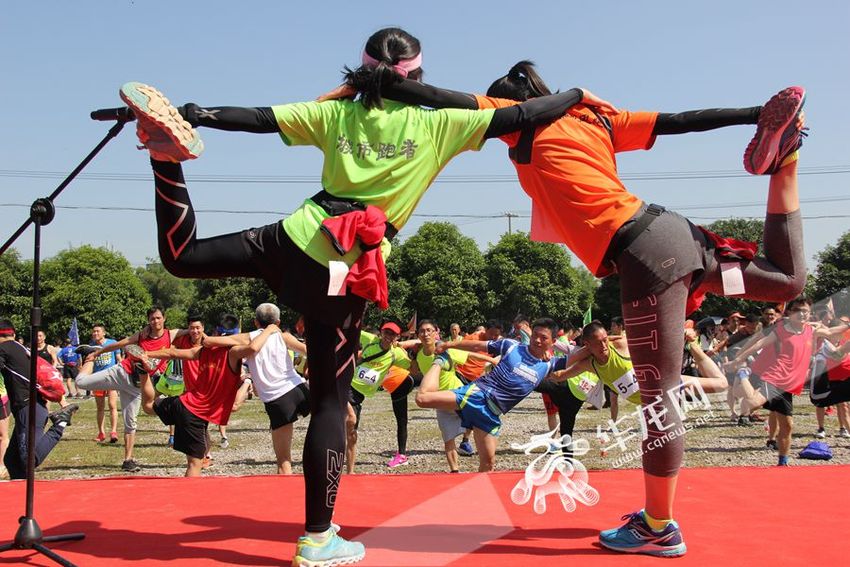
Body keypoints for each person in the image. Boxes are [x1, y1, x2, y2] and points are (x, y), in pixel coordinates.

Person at [114, 27, 611, 566]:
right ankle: (318, 537)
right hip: (347, 273)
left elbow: (257, 118)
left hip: (297, 235)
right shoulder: (441, 121)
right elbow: (523, 116)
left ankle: (166, 159)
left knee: (182, 258)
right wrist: (576, 95)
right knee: (330, 403)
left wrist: (195, 115)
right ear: (418, 77)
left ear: (363, 70)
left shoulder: (339, 112)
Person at [371, 65, 808, 557]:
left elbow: (437, 97)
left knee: (659, 398)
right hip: (669, 230)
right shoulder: (596, 116)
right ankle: (785, 157)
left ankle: (658, 526)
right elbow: (681, 119)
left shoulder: (520, 119)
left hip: (643, 253)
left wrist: (381, 81)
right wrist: (756, 116)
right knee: (785, 280)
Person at [417, 318, 573, 472]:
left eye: (543, 338)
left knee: (488, 464)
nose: (537, 340)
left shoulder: (550, 364)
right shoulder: (512, 346)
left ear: (553, 341)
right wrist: (448, 344)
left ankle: (480, 495)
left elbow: (582, 355)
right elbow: (477, 345)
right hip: (478, 394)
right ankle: (440, 362)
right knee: (422, 399)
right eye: (535, 336)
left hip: (491, 413)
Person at [728, 297, 850, 466]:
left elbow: (831, 332)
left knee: (787, 425)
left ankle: (783, 462)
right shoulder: (781, 330)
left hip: (788, 385)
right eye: (798, 311)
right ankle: (742, 374)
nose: (802, 314)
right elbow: (759, 343)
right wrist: (737, 360)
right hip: (775, 377)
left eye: (806, 311)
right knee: (751, 403)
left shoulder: (811, 330)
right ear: (790, 313)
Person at [138, 319, 256, 477]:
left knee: (148, 407)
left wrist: (146, 353)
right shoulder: (233, 353)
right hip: (194, 414)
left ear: (216, 333)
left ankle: (141, 372)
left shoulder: (203, 351)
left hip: (183, 403)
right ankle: (188, 499)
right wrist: (270, 329)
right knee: (195, 464)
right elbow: (253, 345)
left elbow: (173, 353)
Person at [204, 304, 310, 475]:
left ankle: (287, 498)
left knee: (284, 462)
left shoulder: (248, 337)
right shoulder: (284, 336)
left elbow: (210, 342)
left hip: (278, 400)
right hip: (299, 390)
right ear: (278, 321)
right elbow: (309, 352)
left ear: (255, 322)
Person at [76, 306, 181, 472]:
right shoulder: (141, 335)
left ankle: (128, 460)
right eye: (152, 319)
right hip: (121, 373)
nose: (155, 321)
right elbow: (121, 344)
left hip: (136, 386)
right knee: (80, 383)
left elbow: (193, 332)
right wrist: (96, 354)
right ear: (148, 321)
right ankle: (89, 353)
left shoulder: (171, 334)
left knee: (131, 423)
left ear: (164, 318)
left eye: (158, 318)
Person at [0, 319, 78, 479]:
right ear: (13, 334)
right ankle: (19, 494)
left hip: (29, 407)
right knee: (12, 460)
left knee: (29, 459)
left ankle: (60, 423)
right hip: (33, 406)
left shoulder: (3, 349)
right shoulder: (22, 349)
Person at [411, 319, 492, 472]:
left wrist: (492, 359)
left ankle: (484, 464)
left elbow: (469, 355)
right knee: (448, 438)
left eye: (429, 330)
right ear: (418, 335)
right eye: (422, 331)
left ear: (436, 333)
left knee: (480, 428)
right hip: (440, 401)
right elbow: (413, 370)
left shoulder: (445, 349)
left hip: (458, 396)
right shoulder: (419, 355)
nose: (426, 333)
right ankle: (454, 471)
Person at [346, 321, 417, 472]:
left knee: (351, 431)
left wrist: (412, 349)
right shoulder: (370, 340)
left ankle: (349, 470)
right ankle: (344, 467)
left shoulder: (396, 353)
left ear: (397, 337)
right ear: (381, 333)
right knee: (349, 425)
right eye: (386, 332)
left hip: (361, 394)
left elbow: (413, 368)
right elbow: (351, 328)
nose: (388, 336)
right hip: (348, 386)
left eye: (392, 334)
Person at [85, 324, 121, 444]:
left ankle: (114, 431)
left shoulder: (112, 343)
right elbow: (90, 362)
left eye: (97, 331)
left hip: (111, 377)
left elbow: (119, 359)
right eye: (93, 332)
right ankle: (101, 433)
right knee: (100, 407)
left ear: (104, 333)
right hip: (97, 379)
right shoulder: (91, 346)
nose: (95, 333)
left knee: (112, 405)